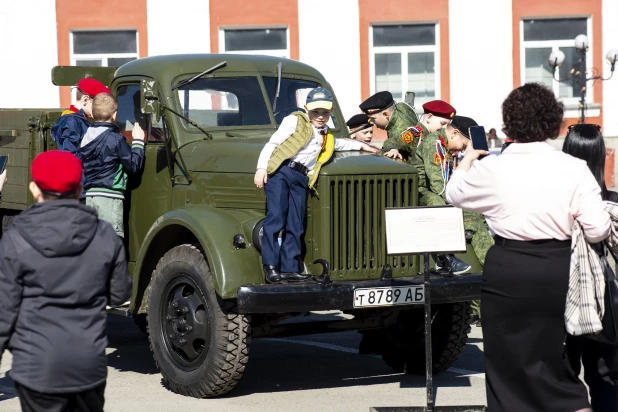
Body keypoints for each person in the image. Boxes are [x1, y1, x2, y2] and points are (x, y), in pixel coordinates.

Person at [446, 82, 610, 412]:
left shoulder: (492, 167)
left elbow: (454, 194)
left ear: (509, 123)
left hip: (507, 267)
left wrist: (467, 159)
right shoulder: (573, 168)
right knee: (553, 362)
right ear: (553, 123)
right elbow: (597, 229)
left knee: (506, 366)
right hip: (557, 268)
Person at [0, 150, 132, 412]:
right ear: (80, 189)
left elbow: (4, 313)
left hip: (35, 366)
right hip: (87, 365)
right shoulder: (105, 234)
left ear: (34, 189)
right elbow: (119, 295)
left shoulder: (15, 240)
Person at [255, 87, 380, 283]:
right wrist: (261, 168)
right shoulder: (295, 121)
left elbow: (339, 144)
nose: (320, 117)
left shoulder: (326, 135)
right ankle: (271, 266)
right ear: (306, 109)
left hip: (302, 177)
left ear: (331, 112)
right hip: (282, 171)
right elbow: (273, 143)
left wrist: (363, 145)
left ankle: (290, 267)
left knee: (295, 223)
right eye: (315, 112)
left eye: (325, 113)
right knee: (276, 218)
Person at [563, 123, 618, 412]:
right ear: (600, 155)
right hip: (606, 302)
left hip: (564, 294)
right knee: (606, 377)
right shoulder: (612, 204)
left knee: (563, 375)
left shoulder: (556, 204)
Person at [78, 93, 145, 238]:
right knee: (111, 241)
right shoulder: (116, 140)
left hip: (90, 196)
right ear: (114, 116)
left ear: (93, 113)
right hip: (109, 197)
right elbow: (134, 166)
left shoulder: (85, 137)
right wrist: (138, 142)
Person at [381, 100, 456, 164]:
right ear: (429, 117)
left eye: (447, 125)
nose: (445, 128)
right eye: (442, 123)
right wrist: (393, 149)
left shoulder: (437, 137)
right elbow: (392, 141)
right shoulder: (415, 134)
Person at [51, 78, 111, 154]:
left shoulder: (78, 120)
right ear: (85, 100)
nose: (101, 109)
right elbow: (71, 155)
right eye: (98, 104)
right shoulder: (71, 122)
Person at [359, 91, 418, 155]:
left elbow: (397, 141)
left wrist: (392, 149)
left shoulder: (402, 128)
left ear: (385, 114)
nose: (373, 123)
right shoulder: (397, 109)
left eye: (373, 119)